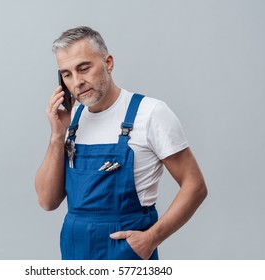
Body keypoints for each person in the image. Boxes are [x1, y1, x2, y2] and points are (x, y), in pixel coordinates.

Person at [35, 26, 207, 260]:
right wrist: (57, 135)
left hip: (125, 252)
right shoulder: (71, 120)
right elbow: (47, 201)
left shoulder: (150, 113)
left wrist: (151, 239)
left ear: (108, 63)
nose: (77, 82)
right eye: (66, 74)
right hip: (74, 250)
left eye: (84, 68)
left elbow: (195, 185)